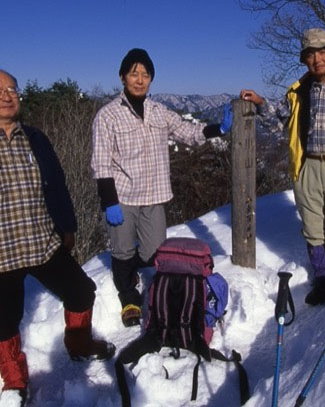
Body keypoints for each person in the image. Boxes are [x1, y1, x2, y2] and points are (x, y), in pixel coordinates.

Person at [0, 68, 113, 406]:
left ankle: (78, 344)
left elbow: (58, 185)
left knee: (81, 291)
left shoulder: (35, 139)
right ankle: (15, 381)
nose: (7, 96)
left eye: (11, 89)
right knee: (4, 321)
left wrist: (67, 227)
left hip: (43, 244)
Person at [91, 48, 233, 327]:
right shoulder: (107, 116)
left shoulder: (159, 112)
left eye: (145, 74)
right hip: (122, 197)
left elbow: (188, 132)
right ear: (122, 77)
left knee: (153, 252)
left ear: (151, 79)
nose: (140, 79)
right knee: (121, 251)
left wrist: (221, 129)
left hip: (154, 195)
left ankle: (148, 282)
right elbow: (100, 162)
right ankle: (129, 298)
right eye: (134, 73)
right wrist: (110, 201)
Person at [240, 28, 325, 306]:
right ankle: (324, 281)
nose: (317, 59)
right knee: (313, 229)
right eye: (310, 54)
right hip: (308, 167)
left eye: (322, 52)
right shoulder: (298, 91)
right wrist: (260, 102)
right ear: (304, 59)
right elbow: (282, 120)